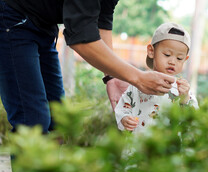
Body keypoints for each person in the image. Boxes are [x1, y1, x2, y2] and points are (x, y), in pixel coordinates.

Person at [0, 0, 175, 134]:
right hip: (12, 19)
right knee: (32, 122)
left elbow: (102, 19)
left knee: (58, 119)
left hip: (43, 26)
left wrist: (113, 77)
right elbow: (81, 38)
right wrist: (137, 78)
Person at [114, 22, 198, 133]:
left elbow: (193, 120)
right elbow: (123, 107)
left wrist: (185, 99)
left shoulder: (182, 90)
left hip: (167, 148)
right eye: (167, 55)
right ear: (151, 51)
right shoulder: (138, 83)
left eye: (179, 58)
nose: (172, 61)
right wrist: (125, 119)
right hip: (138, 145)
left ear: (185, 60)